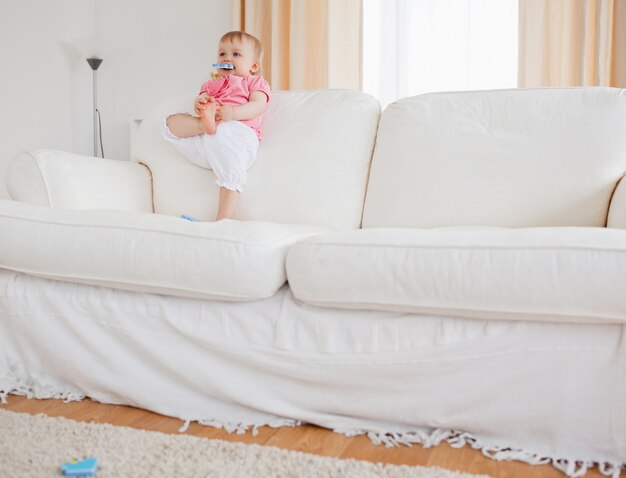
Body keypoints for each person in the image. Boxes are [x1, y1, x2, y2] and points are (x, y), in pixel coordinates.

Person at [162, 31, 270, 220]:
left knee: (226, 135)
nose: (227, 58)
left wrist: (233, 113)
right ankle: (204, 125)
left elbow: (258, 106)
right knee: (169, 123)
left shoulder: (254, 82)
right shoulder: (212, 84)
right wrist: (201, 103)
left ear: (253, 66)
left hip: (238, 136)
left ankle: (222, 219)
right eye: (222, 54)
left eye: (236, 54)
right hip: (209, 143)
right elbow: (201, 97)